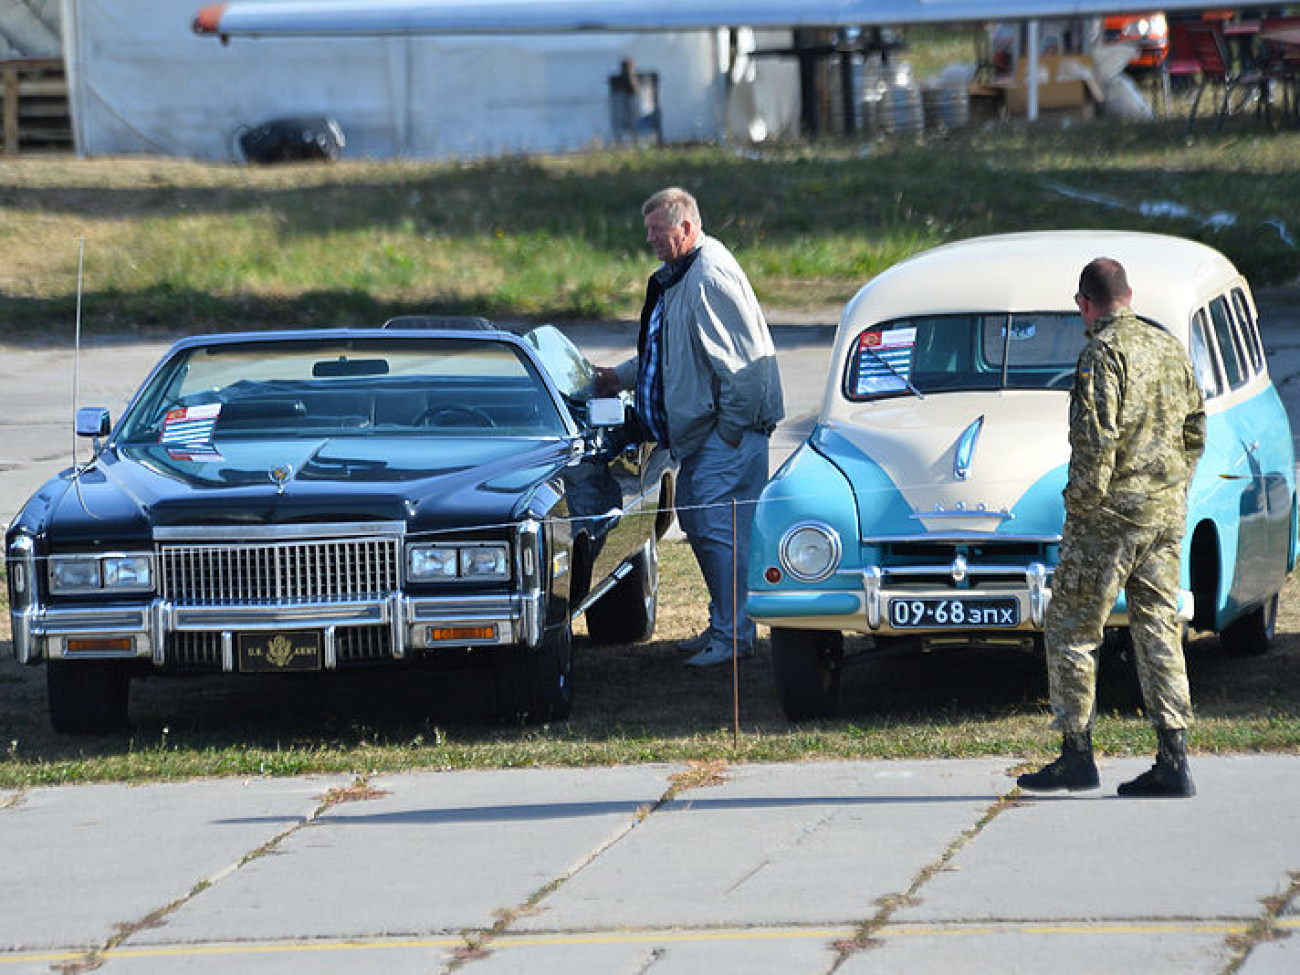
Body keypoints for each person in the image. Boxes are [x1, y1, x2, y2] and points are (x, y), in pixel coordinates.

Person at [1018, 257, 1206, 798]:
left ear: (1085, 304)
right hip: (1163, 516)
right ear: (1130, 294)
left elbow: (1094, 444)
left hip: (1108, 520)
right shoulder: (1167, 346)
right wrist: (1171, 487)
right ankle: (1174, 758)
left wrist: (1079, 507)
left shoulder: (1101, 353)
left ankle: (1076, 754)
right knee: (1158, 629)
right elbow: (1196, 427)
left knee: (1072, 629)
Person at [595, 187, 784, 668]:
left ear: (687, 228)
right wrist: (620, 377)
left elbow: (746, 369)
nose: (652, 240)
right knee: (704, 525)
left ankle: (735, 637)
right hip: (706, 437)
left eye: (659, 231)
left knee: (720, 532)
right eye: (648, 232)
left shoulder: (709, 276)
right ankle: (726, 627)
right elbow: (669, 351)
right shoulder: (684, 274)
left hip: (725, 437)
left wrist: (729, 432)